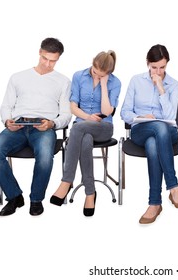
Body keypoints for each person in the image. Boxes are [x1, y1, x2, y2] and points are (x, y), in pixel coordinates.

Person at [0, 37, 72, 216]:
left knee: (45, 157)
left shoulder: (63, 82)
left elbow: (66, 115)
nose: (48, 64)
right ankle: (15, 196)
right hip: (18, 125)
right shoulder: (18, 77)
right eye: (45, 59)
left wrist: (52, 123)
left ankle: (36, 199)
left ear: (58, 59)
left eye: (53, 61)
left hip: (44, 127)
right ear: (39, 52)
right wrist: (7, 120)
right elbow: (6, 106)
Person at [120, 44, 178, 224]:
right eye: (154, 67)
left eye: (162, 67)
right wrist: (140, 116)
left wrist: (161, 89)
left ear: (167, 64)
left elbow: (170, 116)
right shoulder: (136, 81)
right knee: (154, 133)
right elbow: (124, 112)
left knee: (155, 140)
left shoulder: (173, 84)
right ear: (147, 63)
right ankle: (173, 187)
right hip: (140, 129)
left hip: (168, 132)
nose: (158, 71)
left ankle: (154, 203)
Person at [50, 50, 121, 217]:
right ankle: (90, 193)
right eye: (95, 72)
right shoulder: (78, 76)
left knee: (77, 129)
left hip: (103, 127)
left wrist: (104, 85)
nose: (96, 76)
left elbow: (107, 111)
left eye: (101, 75)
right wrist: (87, 117)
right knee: (85, 138)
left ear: (108, 73)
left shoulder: (115, 82)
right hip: (82, 126)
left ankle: (66, 181)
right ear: (92, 63)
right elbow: (72, 107)